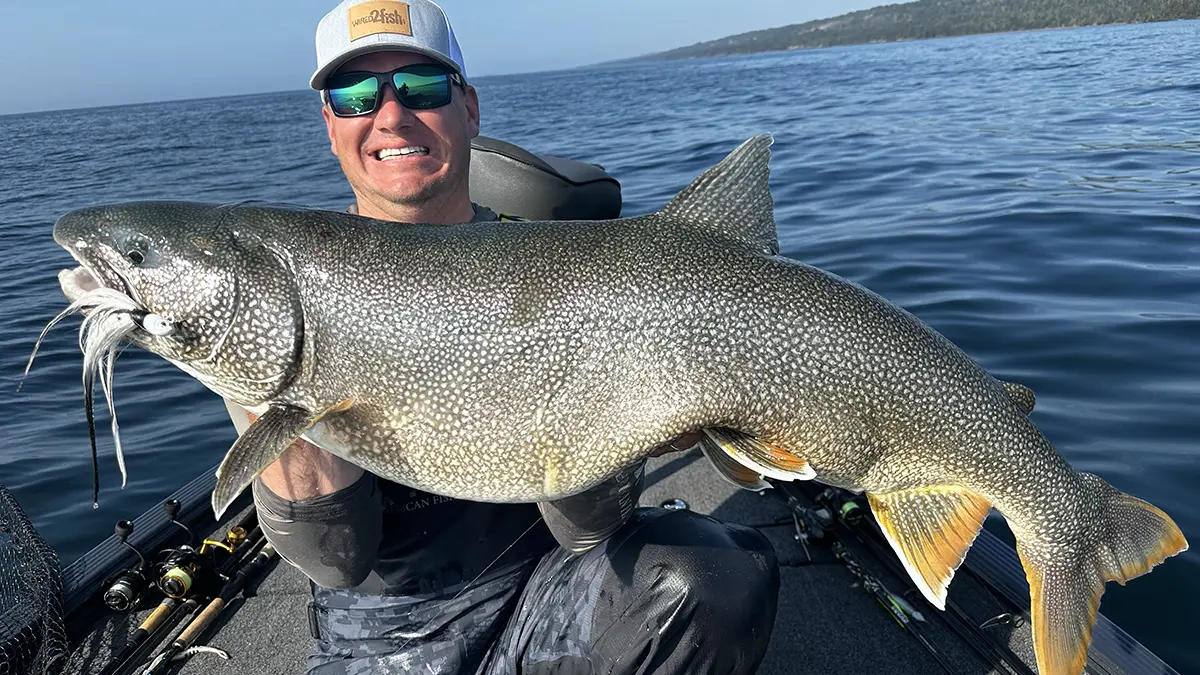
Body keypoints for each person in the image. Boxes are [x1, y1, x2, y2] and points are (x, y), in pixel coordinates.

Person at [225, 1, 781, 672]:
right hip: (380, 643)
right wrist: (271, 385)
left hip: (549, 595)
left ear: (471, 109)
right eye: (356, 95)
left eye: (424, 87)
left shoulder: (555, 276)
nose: (392, 115)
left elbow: (588, 530)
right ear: (330, 125)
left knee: (718, 578)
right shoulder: (287, 289)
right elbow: (335, 559)